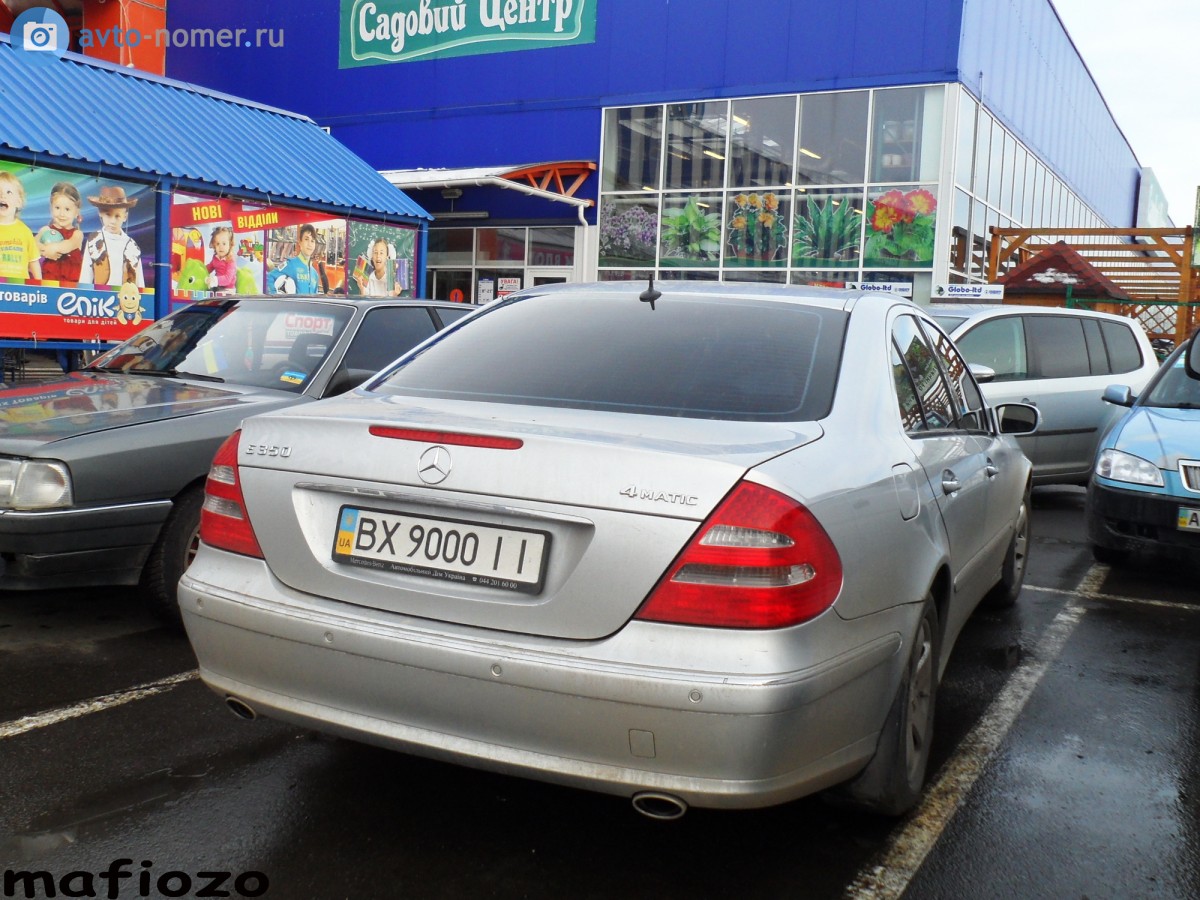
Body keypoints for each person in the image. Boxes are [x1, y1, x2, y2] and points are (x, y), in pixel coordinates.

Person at [78, 185, 144, 288]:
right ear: (100, 213)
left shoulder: (132, 245)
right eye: (108, 215)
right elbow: (86, 276)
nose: (113, 221)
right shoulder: (94, 240)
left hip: (125, 299)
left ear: (125, 217)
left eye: (117, 216)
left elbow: (139, 282)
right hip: (99, 300)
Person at [36, 181, 83, 283]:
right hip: (49, 280)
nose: (62, 214)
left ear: (76, 212)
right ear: (51, 208)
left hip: (71, 284)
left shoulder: (77, 234)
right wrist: (45, 251)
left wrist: (51, 249)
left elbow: (67, 246)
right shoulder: (45, 230)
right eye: (57, 208)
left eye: (67, 209)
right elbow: (32, 246)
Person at [0, 171, 42, 282]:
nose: (2, 195)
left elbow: (33, 261)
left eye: (9, 192)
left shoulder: (25, 231)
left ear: (18, 202)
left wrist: (40, 285)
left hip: (20, 289)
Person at [270, 223, 320, 294]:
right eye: (306, 239)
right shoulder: (291, 264)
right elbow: (269, 277)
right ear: (300, 242)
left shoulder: (315, 274)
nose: (310, 244)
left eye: (312, 241)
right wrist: (276, 296)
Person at [205, 226, 237, 294]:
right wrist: (201, 271)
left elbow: (228, 279)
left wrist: (214, 279)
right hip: (217, 286)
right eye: (218, 244)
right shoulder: (215, 257)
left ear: (230, 245)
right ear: (214, 245)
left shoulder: (230, 261)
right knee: (206, 292)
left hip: (228, 290)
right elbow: (210, 267)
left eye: (224, 244)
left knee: (217, 297)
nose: (221, 247)